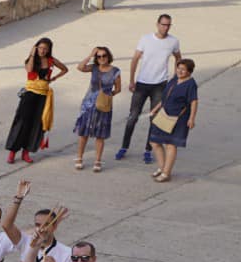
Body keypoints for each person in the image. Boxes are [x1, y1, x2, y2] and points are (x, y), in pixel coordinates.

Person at [117, 13, 181, 164]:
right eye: (163, 24)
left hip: (160, 85)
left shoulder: (173, 41)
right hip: (142, 83)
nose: (165, 28)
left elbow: (179, 58)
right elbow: (135, 59)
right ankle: (124, 147)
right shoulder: (145, 39)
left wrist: (175, 77)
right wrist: (132, 80)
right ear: (157, 24)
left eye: (168, 25)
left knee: (155, 119)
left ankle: (148, 150)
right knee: (133, 116)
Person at [5, 37, 67, 164]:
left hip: (43, 95)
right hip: (29, 94)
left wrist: (54, 78)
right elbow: (29, 69)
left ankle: (26, 152)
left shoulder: (51, 61)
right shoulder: (31, 59)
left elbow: (65, 69)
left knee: (37, 124)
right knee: (22, 121)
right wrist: (32, 53)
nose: (42, 51)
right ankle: (13, 151)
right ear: (36, 47)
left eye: (45, 48)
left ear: (49, 50)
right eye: (40, 48)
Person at [147, 58, 198, 183]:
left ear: (189, 71)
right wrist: (155, 109)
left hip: (178, 118)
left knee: (170, 144)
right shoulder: (174, 79)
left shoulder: (191, 84)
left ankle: (166, 173)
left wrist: (192, 118)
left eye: (183, 69)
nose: (180, 71)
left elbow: (194, 101)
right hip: (164, 114)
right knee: (154, 141)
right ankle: (162, 167)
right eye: (178, 68)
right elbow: (165, 97)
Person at [71, 46, 121, 173]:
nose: (101, 58)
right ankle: (79, 158)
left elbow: (118, 88)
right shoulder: (94, 68)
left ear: (108, 56)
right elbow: (80, 67)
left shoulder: (115, 71)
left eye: (104, 56)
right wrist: (90, 55)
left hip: (103, 106)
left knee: (100, 134)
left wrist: (108, 96)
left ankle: (98, 160)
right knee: (83, 133)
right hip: (88, 105)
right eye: (98, 56)